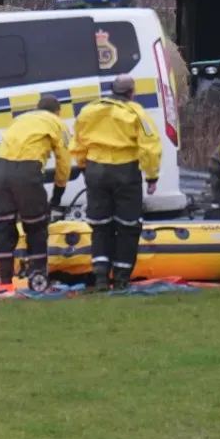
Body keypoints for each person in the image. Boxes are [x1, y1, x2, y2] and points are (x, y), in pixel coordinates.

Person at [69, 74, 162, 291]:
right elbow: (150, 146)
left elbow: (77, 142)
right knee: (128, 226)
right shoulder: (136, 113)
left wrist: (85, 166)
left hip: (95, 170)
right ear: (132, 92)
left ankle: (101, 277)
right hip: (124, 171)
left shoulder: (89, 110)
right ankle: (121, 278)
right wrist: (151, 176)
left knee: (100, 225)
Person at [0, 94, 70, 287]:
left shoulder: (20, 119)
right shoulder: (57, 123)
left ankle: (5, 280)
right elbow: (64, 160)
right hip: (26, 172)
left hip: (0, 170)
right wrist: (58, 192)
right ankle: (38, 275)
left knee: (4, 227)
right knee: (36, 226)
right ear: (57, 112)